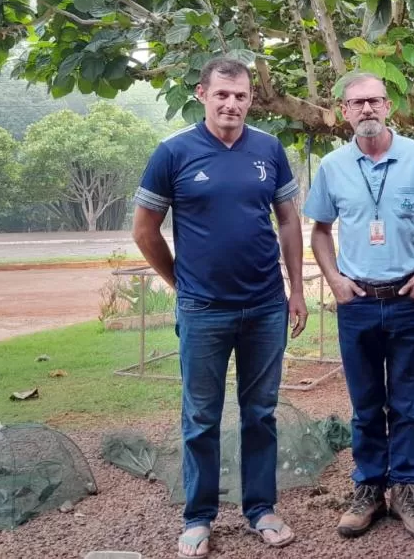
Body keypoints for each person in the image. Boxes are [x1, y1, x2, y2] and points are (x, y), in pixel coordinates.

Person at [132, 57, 308, 559]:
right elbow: (145, 230)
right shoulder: (173, 152)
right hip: (204, 311)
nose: (232, 104)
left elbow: (289, 223)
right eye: (222, 95)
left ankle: (261, 510)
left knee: (260, 413)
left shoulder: (269, 149)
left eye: (242, 96)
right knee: (202, 417)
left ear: (251, 99)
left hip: (265, 308)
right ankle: (199, 517)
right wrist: (180, 282)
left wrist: (295, 289)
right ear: (202, 94)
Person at [303, 71, 414, 540]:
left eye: (374, 101)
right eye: (356, 103)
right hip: (358, 304)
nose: (366, 109)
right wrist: (334, 279)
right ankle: (368, 489)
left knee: (407, 404)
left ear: (388, 106)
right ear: (343, 112)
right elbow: (321, 231)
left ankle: (405, 490)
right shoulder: (332, 167)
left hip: (409, 301)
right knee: (366, 405)